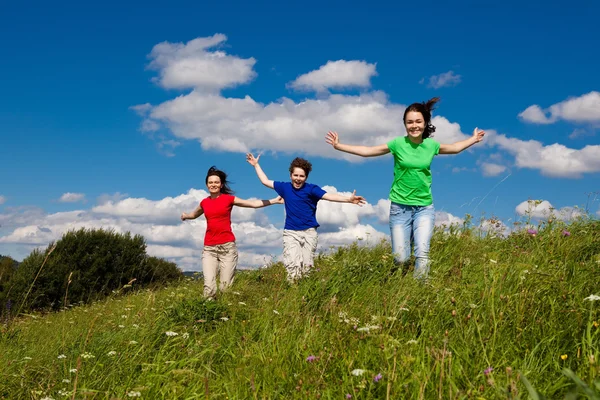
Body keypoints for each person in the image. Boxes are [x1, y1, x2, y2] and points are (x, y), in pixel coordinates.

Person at [325, 97, 485, 280]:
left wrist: (473, 139)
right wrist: (339, 146)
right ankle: (400, 276)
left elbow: (455, 148)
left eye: (418, 121)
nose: (414, 126)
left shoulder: (431, 145)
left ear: (425, 123)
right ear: (404, 124)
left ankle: (419, 293)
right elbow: (368, 150)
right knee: (401, 259)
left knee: (422, 254)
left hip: (424, 208)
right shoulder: (397, 144)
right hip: (400, 208)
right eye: (410, 122)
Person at [246, 154, 366, 283]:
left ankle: (304, 293)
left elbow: (329, 196)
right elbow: (265, 181)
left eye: (301, 176)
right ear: (290, 175)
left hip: (309, 232)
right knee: (292, 265)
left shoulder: (311, 189)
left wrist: (348, 199)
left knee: (307, 267)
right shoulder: (284, 187)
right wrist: (256, 165)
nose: (298, 179)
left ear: (306, 177)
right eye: (295, 175)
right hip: (291, 232)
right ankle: (293, 292)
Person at [181, 166, 283, 299]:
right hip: (209, 249)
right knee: (209, 286)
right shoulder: (204, 203)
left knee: (225, 288)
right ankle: (207, 315)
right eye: (211, 182)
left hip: (227, 248)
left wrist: (274, 201)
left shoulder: (228, 199)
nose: (213, 185)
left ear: (221, 184)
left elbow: (252, 204)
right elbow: (194, 214)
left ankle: (223, 313)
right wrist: (185, 216)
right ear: (207, 185)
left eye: (216, 182)